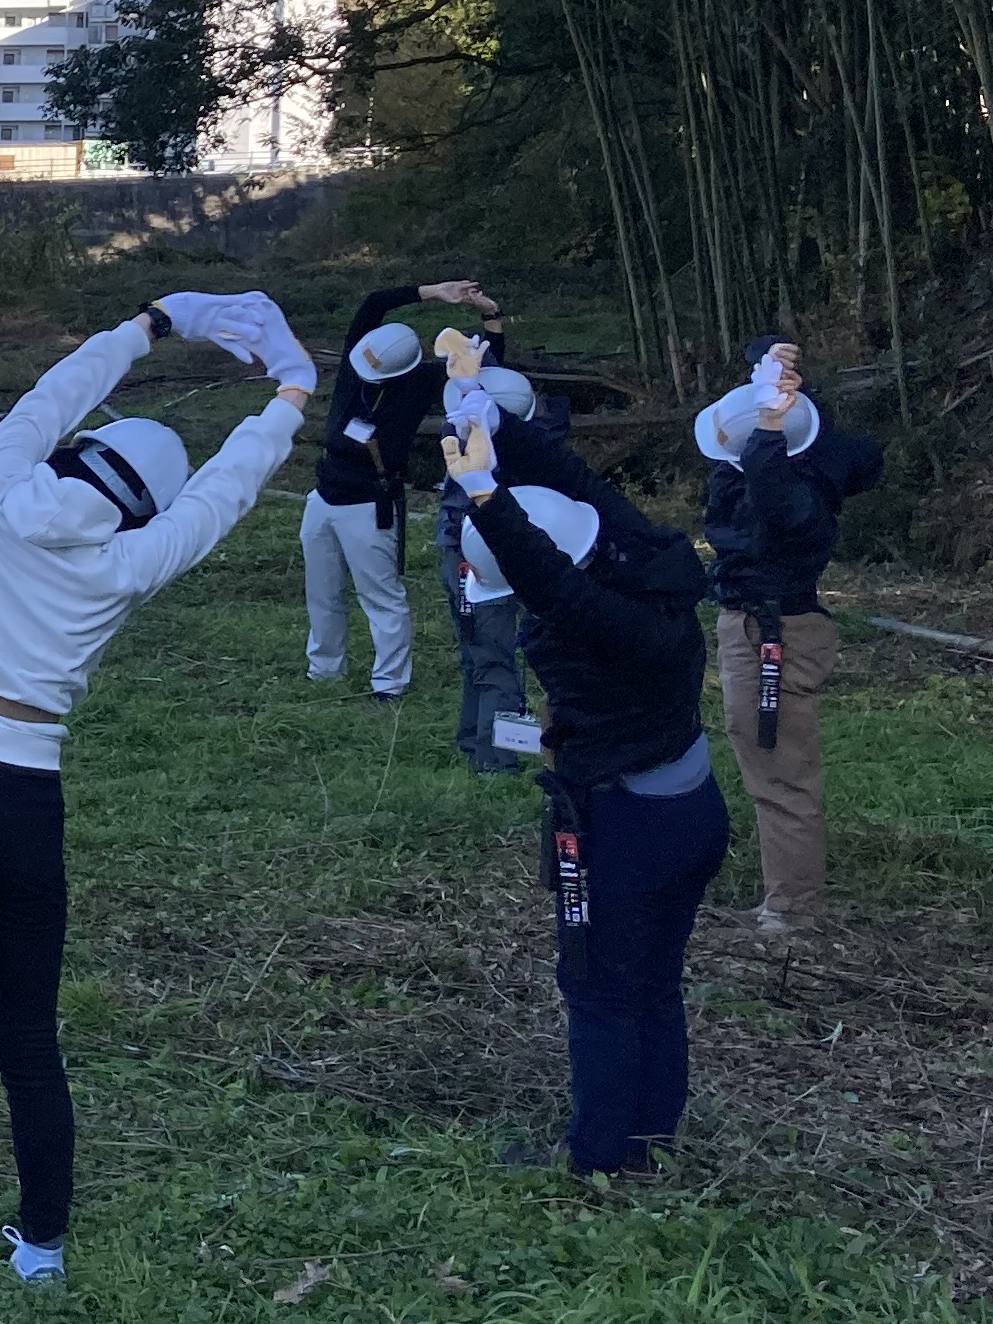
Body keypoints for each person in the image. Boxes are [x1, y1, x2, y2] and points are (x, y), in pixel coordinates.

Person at [0, 289, 315, 1292]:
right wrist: (288, 395)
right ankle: (42, 1250)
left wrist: (153, 324)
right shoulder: (128, 562)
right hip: (28, 798)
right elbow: (224, 495)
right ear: (139, 505)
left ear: (76, 456)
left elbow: (57, 390)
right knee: (30, 1035)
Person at [447, 370, 726, 1176]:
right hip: (691, 809)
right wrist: (494, 424)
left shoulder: (597, 630)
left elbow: (555, 590)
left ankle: (599, 1160)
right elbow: (585, 489)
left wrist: (489, 506)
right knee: (655, 986)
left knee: (600, 991)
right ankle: (649, 1143)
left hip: (625, 826)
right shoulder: (654, 567)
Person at [695, 340, 884, 940]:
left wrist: (772, 426)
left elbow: (774, 488)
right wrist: (773, 370)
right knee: (768, 765)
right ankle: (788, 895)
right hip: (759, 627)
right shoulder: (803, 472)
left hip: (771, 634)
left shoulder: (796, 504)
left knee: (780, 773)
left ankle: (793, 906)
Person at [301, 280, 498, 701]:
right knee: (322, 591)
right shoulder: (359, 358)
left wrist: (491, 317)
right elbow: (374, 301)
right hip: (323, 493)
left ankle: (389, 685)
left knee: (381, 595)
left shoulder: (420, 382)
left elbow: (486, 365)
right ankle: (323, 671)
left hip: (371, 503)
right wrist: (433, 291)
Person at [433, 358, 550, 774]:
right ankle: (495, 761)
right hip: (480, 559)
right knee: (494, 655)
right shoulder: (511, 454)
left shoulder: (466, 437)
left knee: (479, 652)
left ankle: (474, 738)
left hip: (460, 551)